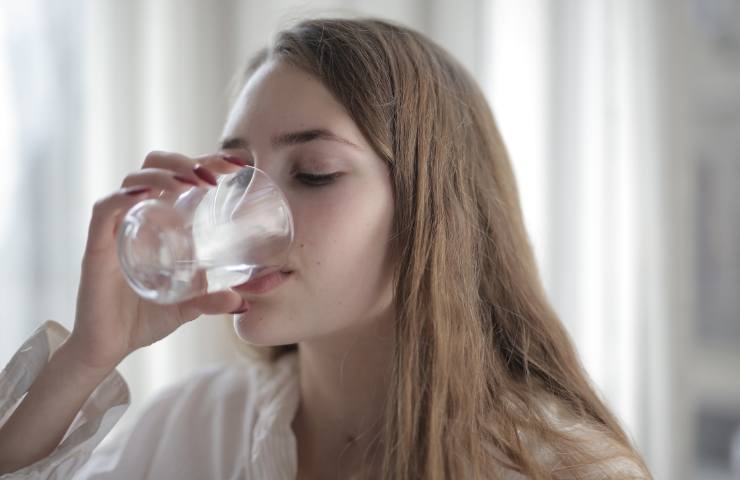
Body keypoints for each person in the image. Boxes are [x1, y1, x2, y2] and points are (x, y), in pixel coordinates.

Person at [0, 17, 652, 479]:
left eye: (312, 173)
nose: (247, 215)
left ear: (432, 209)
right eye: (234, 175)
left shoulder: (561, 469)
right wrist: (87, 357)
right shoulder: (196, 425)